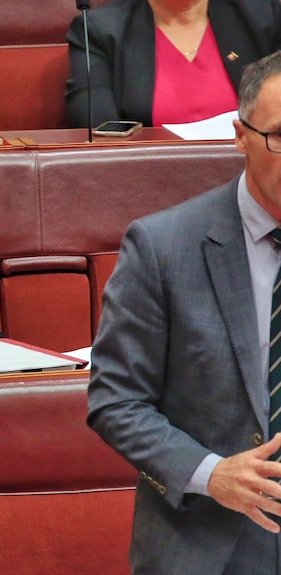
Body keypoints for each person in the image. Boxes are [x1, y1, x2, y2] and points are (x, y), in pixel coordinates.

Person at [88, 50, 281, 574]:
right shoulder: (163, 246)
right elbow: (116, 399)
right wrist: (210, 473)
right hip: (210, 545)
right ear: (240, 135)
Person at [65, 0, 281, 128]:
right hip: (146, 184)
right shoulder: (100, 31)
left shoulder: (264, 15)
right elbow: (100, 132)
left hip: (252, 178)